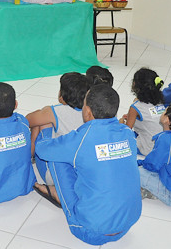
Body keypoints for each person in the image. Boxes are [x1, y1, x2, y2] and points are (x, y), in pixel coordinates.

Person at [34, 85, 141, 245]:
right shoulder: (127, 133)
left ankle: (58, 193)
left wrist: (45, 132)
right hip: (128, 223)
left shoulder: (83, 138)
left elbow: (42, 151)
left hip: (89, 231)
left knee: (56, 156)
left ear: (88, 112)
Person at [26, 72, 90, 184]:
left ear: (62, 94)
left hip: (56, 175)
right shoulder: (90, 112)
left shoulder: (54, 111)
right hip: (84, 173)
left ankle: (30, 155)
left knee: (42, 123)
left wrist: (43, 110)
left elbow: (27, 121)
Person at [120, 67, 166, 155]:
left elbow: (126, 131)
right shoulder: (160, 102)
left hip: (148, 148)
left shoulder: (135, 107)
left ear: (134, 85)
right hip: (161, 146)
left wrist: (121, 122)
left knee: (121, 133)